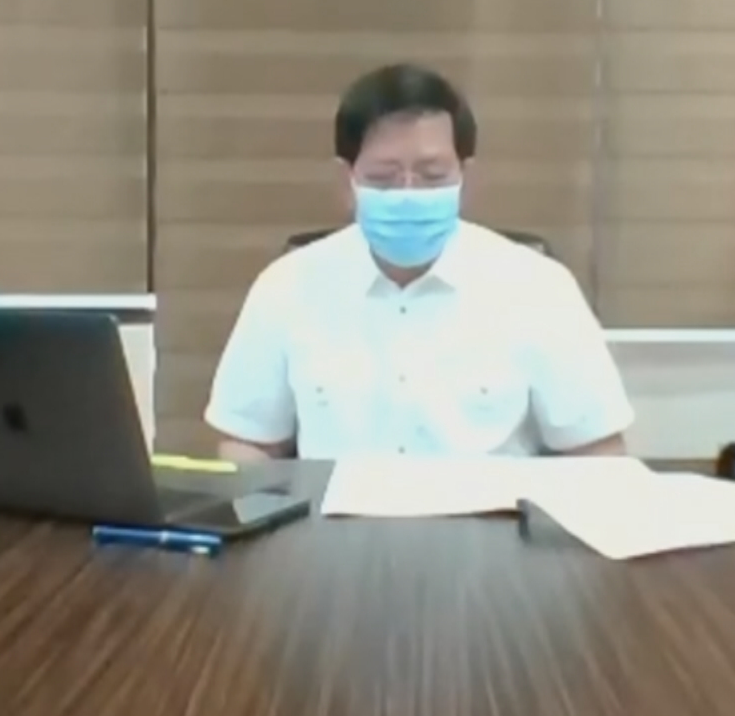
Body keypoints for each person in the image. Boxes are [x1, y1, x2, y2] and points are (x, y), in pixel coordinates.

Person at [204, 63, 634, 459]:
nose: (408, 193)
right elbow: (248, 442)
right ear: (346, 181)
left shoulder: (539, 288)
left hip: (489, 516)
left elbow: (597, 451)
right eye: (383, 178)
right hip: (332, 517)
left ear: (466, 179)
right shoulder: (286, 287)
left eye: (432, 176)